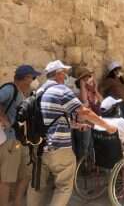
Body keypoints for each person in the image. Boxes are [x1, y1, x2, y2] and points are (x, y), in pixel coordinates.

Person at [27, 60, 117, 206]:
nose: (66, 76)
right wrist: (107, 126)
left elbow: (53, 118)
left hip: (39, 147)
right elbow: (84, 111)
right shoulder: (61, 90)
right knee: (64, 187)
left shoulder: (39, 92)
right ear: (58, 74)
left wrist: (76, 125)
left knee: (37, 185)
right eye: (64, 73)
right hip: (59, 148)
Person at [0, 65, 41, 206]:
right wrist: (3, 119)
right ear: (25, 78)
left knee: (25, 174)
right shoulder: (10, 89)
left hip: (20, 141)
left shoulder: (22, 93)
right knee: (7, 179)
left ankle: (16, 202)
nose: (33, 81)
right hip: (9, 140)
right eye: (32, 77)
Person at [72, 67, 103, 159]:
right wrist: (82, 84)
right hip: (82, 122)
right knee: (84, 146)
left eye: (89, 76)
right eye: (86, 77)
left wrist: (95, 89)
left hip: (92, 122)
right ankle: (81, 168)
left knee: (90, 146)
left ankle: (88, 167)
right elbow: (85, 102)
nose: (89, 79)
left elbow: (102, 101)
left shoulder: (92, 92)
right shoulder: (78, 92)